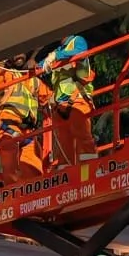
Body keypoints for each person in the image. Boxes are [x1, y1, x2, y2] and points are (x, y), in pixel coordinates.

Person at [0, 55, 50, 184]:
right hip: (9, 126)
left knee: (35, 171)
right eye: (15, 53)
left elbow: (49, 97)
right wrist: (3, 62)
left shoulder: (34, 80)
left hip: (29, 132)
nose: (19, 55)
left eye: (22, 53)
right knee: (11, 169)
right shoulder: (7, 74)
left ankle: (32, 198)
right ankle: (12, 197)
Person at [38, 33, 96, 165]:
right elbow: (41, 66)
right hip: (60, 106)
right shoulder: (58, 51)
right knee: (64, 144)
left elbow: (79, 52)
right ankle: (66, 174)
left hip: (77, 100)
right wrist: (36, 65)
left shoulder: (77, 41)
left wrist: (55, 56)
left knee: (83, 138)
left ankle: (89, 170)